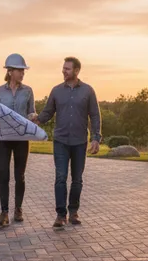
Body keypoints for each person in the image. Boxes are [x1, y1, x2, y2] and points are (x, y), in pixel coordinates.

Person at [33, 57, 101, 227]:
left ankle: (74, 212)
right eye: (63, 68)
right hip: (61, 141)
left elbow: (95, 115)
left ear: (77, 71)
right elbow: (47, 112)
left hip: (79, 142)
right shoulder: (56, 91)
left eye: (67, 69)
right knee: (60, 177)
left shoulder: (88, 91)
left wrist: (95, 138)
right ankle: (60, 215)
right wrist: (35, 121)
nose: (64, 71)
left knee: (77, 179)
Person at [0, 53, 37, 227]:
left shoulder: (28, 91)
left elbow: (31, 111)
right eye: (20, 70)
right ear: (10, 71)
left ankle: (18, 209)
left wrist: (33, 117)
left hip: (21, 139)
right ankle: (4, 212)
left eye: (23, 70)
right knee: (3, 175)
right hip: (3, 139)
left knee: (20, 176)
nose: (23, 73)